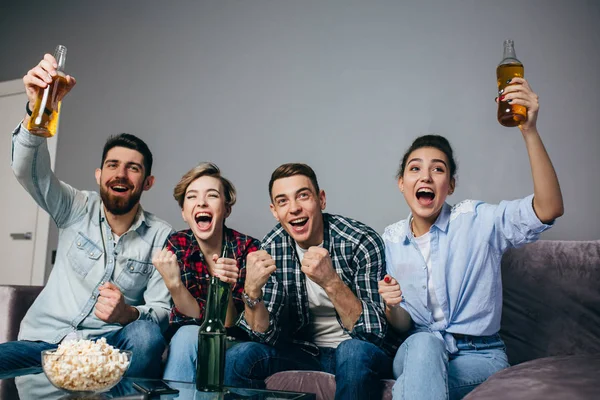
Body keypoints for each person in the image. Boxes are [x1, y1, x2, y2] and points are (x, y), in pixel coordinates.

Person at [379, 77, 564, 399]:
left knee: (417, 384)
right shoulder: (391, 240)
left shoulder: (477, 220)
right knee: (424, 344)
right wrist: (391, 305)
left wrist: (529, 131)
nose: (425, 176)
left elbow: (548, 208)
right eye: (415, 169)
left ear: (450, 185)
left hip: (480, 355)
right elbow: (401, 326)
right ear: (401, 183)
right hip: (416, 347)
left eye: (437, 170)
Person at [0, 53, 173, 378]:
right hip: (42, 346)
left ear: (147, 182)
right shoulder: (75, 205)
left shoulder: (160, 235)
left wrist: (127, 312)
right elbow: (27, 170)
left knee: (146, 334)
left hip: (107, 352)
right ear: (98, 174)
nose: (120, 174)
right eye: (112, 165)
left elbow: (162, 310)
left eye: (133, 168)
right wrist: (37, 111)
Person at [225, 163, 394, 400]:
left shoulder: (360, 241)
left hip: (358, 350)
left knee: (352, 351)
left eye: (303, 196)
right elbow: (264, 336)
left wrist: (331, 281)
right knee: (239, 356)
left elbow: (374, 332)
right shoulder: (273, 246)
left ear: (321, 200)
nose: (294, 208)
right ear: (274, 210)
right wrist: (252, 291)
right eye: (283, 201)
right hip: (304, 353)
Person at [152, 162, 260, 382]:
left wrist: (225, 290)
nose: (201, 202)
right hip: (189, 337)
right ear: (184, 212)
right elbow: (189, 318)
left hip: (235, 342)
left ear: (226, 209)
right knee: (186, 335)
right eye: (192, 197)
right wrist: (174, 286)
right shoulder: (177, 243)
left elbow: (231, 325)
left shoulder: (248, 249)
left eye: (211, 195)